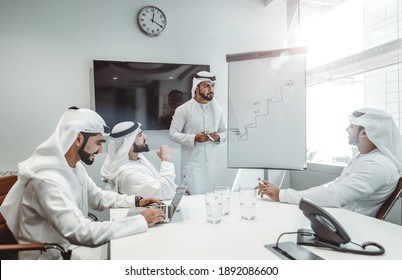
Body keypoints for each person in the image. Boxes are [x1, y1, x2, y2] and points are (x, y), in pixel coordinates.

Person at [0, 107, 165, 260]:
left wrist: (136, 200)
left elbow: (97, 197)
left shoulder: (74, 166)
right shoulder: (46, 179)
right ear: (78, 138)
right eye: (98, 143)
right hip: (51, 260)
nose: (101, 151)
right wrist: (140, 220)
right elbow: (80, 232)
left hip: (70, 249)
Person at [255, 108, 402, 217]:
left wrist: (281, 194)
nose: (347, 129)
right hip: (337, 218)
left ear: (364, 133)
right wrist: (292, 195)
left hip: (351, 227)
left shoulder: (378, 165)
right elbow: (334, 186)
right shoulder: (365, 157)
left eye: (351, 126)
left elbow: (334, 195)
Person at [169, 71, 227, 194]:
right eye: (206, 86)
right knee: (195, 202)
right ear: (196, 87)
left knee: (213, 201)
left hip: (212, 166)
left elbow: (225, 131)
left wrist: (218, 137)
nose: (211, 89)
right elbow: (173, 134)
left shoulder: (217, 109)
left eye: (212, 86)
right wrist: (194, 138)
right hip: (192, 167)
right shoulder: (183, 109)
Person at [101, 121, 177, 200]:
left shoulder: (138, 157)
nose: (145, 136)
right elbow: (166, 193)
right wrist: (165, 160)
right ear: (128, 143)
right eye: (140, 135)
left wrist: (174, 187)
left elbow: (156, 183)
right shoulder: (128, 174)